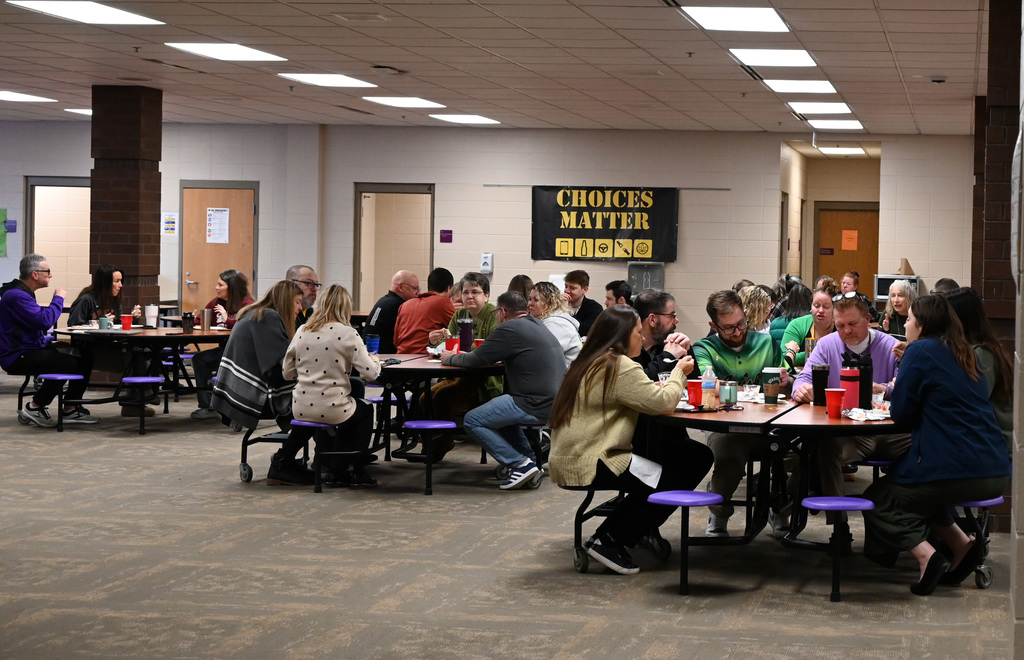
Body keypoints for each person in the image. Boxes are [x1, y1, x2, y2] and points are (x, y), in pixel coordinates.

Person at [863, 295, 1010, 595]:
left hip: (957, 467)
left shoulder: (919, 350)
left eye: (909, 319)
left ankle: (926, 557)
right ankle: (961, 544)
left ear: (923, 324)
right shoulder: (966, 351)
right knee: (920, 496)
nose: (905, 323)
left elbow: (901, 413)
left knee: (879, 497)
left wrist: (906, 369)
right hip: (994, 469)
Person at [548, 305, 712, 575]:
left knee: (688, 458)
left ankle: (633, 529)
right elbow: (662, 403)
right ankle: (608, 540)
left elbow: (635, 394)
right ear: (623, 336)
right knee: (669, 480)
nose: (643, 338)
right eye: (638, 333)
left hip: (571, 455)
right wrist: (679, 371)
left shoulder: (591, 358)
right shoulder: (620, 365)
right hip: (595, 458)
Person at [791, 290, 910, 522]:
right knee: (823, 448)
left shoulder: (890, 347)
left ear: (868, 320)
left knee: (928, 444)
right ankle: (838, 527)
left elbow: (908, 387)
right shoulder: (827, 345)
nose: (846, 331)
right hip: (850, 434)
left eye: (853, 324)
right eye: (841, 325)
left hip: (890, 432)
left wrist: (886, 388)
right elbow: (802, 380)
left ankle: (910, 519)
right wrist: (801, 390)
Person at [441, 291, 565, 490]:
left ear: (503, 312)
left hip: (533, 402)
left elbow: (475, 360)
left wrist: (449, 357)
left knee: (472, 420)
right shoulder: (537, 324)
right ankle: (529, 461)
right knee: (500, 416)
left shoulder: (509, 328)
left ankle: (519, 463)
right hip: (556, 402)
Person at [692, 289, 786, 538]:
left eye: (741, 323)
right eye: (729, 328)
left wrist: (787, 380)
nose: (738, 331)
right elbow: (707, 384)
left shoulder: (766, 343)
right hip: (726, 427)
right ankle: (719, 512)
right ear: (714, 325)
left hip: (770, 424)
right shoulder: (704, 348)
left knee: (802, 457)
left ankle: (779, 508)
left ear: (745, 314)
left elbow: (785, 379)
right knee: (727, 456)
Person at [211, 280, 315, 486]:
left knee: (317, 396)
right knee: (316, 403)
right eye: (296, 302)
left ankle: (323, 459)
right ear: (285, 301)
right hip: (251, 395)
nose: (300, 308)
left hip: (237, 389)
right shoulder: (268, 317)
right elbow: (284, 363)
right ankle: (283, 463)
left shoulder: (259, 313)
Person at [283, 284, 382, 488]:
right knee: (363, 409)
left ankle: (334, 464)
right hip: (332, 408)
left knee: (350, 400)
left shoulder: (303, 330)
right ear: (345, 307)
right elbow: (370, 373)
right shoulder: (348, 333)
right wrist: (376, 360)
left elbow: (287, 373)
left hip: (300, 408)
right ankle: (355, 468)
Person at [0, 254, 98, 426]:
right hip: (16, 356)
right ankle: (34, 406)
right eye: (48, 272)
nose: (51, 275)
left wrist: (50, 343)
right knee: (67, 363)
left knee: (85, 356)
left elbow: (30, 329)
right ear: (35, 274)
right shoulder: (16, 296)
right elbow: (44, 321)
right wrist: (58, 299)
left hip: (29, 349)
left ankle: (70, 408)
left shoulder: (24, 293)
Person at [423, 272, 500, 461]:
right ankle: (429, 444)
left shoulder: (493, 316)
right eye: (465, 292)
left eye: (475, 292)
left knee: (442, 397)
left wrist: (459, 350)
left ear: (487, 295)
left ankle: (442, 444)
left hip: (483, 379)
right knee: (424, 398)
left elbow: (490, 349)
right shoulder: (460, 314)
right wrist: (434, 341)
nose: (469, 296)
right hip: (457, 374)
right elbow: (447, 343)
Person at [945, 287, 1013, 453]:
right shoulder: (967, 350)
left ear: (959, 320)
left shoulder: (982, 353)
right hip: (978, 439)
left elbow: (970, 403)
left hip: (993, 445)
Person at [190, 269, 255, 420]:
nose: (216, 288)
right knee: (199, 359)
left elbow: (246, 327)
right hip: (226, 349)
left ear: (231, 287)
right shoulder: (216, 302)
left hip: (243, 352)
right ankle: (207, 405)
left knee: (215, 362)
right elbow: (200, 320)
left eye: (220, 285)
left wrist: (228, 319)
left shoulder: (247, 304)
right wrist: (193, 320)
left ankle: (227, 403)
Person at [779, 278, 839, 370]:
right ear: (811, 306)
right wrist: (822, 352)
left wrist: (795, 354)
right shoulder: (797, 325)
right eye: (816, 305)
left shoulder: (841, 326)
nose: (821, 310)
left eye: (826, 307)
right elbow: (783, 360)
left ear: (834, 309)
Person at [631, 289, 690, 380]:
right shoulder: (626, 351)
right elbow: (640, 384)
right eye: (672, 315)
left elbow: (695, 384)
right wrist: (668, 356)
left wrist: (687, 351)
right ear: (652, 320)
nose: (676, 320)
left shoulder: (671, 345)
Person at [394, 267, 455, 354]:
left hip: (401, 358)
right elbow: (459, 332)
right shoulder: (443, 302)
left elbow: (396, 341)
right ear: (448, 288)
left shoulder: (405, 305)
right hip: (424, 358)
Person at [527, 281, 582, 367]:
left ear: (549, 302)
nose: (530, 303)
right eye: (530, 299)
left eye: (536, 300)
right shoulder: (545, 321)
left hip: (566, 378)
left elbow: (544, 356)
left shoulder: (556, 324)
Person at [364, 270, 419, 354]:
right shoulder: (399, 306)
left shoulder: (384, 301)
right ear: (400, 287)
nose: (418, 293)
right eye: (414, 288)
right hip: (386, 356)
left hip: (372, 353)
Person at [67, 264, 140, 326]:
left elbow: (118, 324)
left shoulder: (114, 300)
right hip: (89, 341)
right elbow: (74, 325)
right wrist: (100, 323)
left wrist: (133, 318)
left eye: (121, 281)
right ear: (105, 284)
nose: (121, 285)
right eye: (117, 281)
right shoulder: (86, 300)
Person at [562, 269, 603, 337]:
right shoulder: (558, 305)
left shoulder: (594, 308)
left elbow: (587, 331)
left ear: (585, 290)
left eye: (572, 288)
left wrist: (567, 311)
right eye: (566, 286)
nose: (567, 291)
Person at [286, 264, 321, 328]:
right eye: (308, 283)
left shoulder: (311, 314)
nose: (315, 289)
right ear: (290, 284)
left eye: (316, 284)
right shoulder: (278, 314)